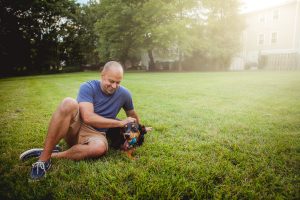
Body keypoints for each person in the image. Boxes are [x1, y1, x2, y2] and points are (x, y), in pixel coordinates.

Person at [20, 61, 149, 180]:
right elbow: (88, 117)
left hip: (96, 134)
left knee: (100, 148)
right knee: (68, 102)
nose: (114, 86)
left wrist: (140, 130)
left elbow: (132, 115)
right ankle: (43, 160)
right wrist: (119, 123)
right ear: (102, 75)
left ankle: (52, 154)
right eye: (111, 81)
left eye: (118, 82)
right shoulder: (88, 87)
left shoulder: (124, 94)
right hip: (77, 127)